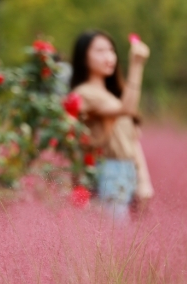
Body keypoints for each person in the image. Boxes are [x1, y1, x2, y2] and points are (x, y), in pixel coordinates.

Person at [70, 30, 153, 222]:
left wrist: (144, 180)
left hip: (128, 171)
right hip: (108, 172)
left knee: (127, 243)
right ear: (83, 57)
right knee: (114, 240)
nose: (108, 56)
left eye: (111, 50)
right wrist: (137, 66)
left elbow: (133, 141)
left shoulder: (114, 95)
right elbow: (127, 108)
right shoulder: (83, 94)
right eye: (99, 51)